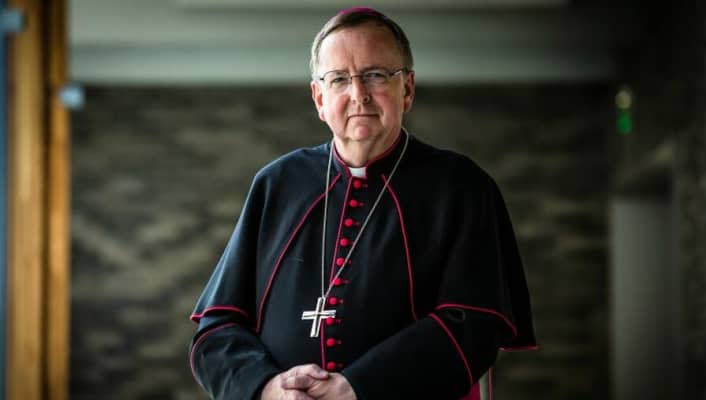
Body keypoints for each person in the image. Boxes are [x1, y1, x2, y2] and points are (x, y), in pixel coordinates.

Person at [189, 7, 536, 400]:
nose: (358, 94)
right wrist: (268, 388)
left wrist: (359, 387)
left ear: (408, 89)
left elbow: (474, 323)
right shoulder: (277, 184)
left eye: (375, 75)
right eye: (339, 79)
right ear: (319, 98)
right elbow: (217, 329)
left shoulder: (461, 186)